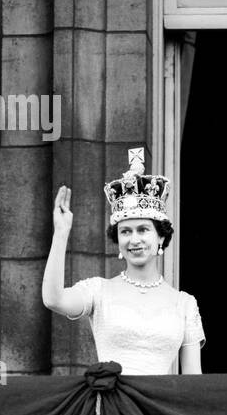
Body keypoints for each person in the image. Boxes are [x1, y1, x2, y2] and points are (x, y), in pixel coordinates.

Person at [42, 148, 204, 374]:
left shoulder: (185, 305)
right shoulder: (98, 291)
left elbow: (193, 383)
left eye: (143, 230)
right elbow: (53, 299)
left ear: (161, 236)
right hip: (111, 406)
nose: (134, 239)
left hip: (157, 409)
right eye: (125, 232)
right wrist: (61, 233)